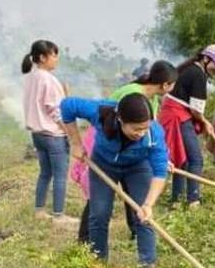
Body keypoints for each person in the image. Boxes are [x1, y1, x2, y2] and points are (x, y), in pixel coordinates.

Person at [73, 61, 178, 242]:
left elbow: (149, 136)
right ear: (166, 84)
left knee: (135, 192)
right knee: (99, 197)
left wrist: (160, 159)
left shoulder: (151, 99)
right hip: (107, 145)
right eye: (174, 84)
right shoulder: (133, 94)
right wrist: (75, 143)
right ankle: (85, 239)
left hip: (129, 151)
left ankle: (136, 232)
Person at [62, 93, 169, 268]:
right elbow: (67, 105)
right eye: (136, 129)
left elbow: (159, 172)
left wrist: (149, 204)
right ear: (120, 119)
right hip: (103, 165)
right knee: (99, 214)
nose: (141, 133)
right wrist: (75, 143)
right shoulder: (101, 113)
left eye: (145, 128)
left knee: (142, 215)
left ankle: (148, 265)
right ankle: (98, 265)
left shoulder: (154, 133)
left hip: (138, 167)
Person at [158, 45, 215, 208]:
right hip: (178, 116)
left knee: (181, 158)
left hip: (173, 114)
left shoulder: (188, 68)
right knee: (195, 159)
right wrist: (205, 122)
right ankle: (193, 200)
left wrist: (204, 122)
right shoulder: (198, 74)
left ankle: (177, 200)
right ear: (206, 59)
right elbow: (196, 110)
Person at [21, 39, 77, 225]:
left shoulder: (31, 76)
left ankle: (39, 210)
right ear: (43, 57)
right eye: (54, 55)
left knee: (45, 173)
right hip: (53, 135)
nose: (56, 59)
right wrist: (68, 130)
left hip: (37, 134)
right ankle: (59, 215)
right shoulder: (49, 80)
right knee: (60, 175)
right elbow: (55, 110)